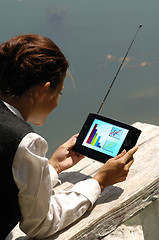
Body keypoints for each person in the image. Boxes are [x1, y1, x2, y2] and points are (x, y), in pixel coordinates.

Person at [0, 34, 138, 239]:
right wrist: (99, 181)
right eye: (59, 93)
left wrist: (52, 167)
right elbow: (40, 224)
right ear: (43, 91)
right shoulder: (26, 142)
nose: (57, 102)